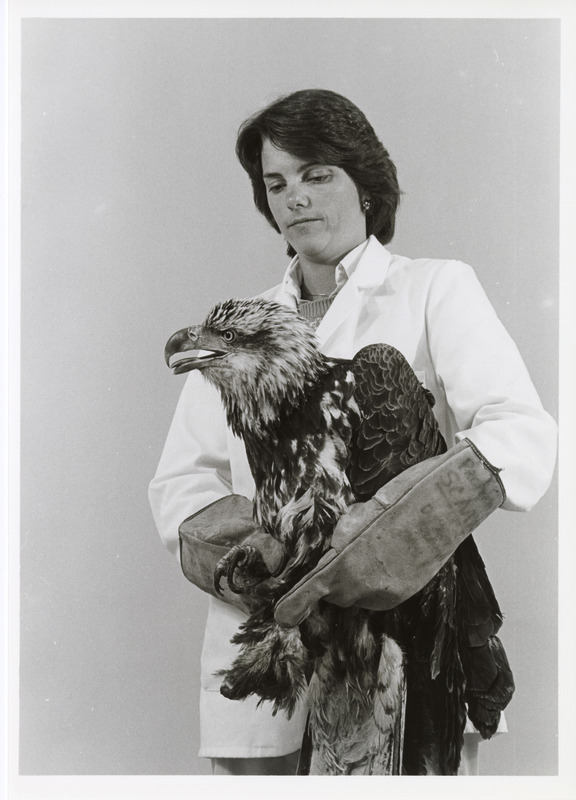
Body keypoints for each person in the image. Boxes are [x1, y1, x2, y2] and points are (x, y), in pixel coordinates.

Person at [148, 89, 558, 775]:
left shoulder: (433, 289)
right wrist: (269, 560)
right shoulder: (239, 331)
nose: (295, 198)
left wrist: (376, 538)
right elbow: (181, 484)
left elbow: (521, 437)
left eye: (316, 174)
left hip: (402, 650)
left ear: (364, 183)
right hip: (268, 658)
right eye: (276, 184)